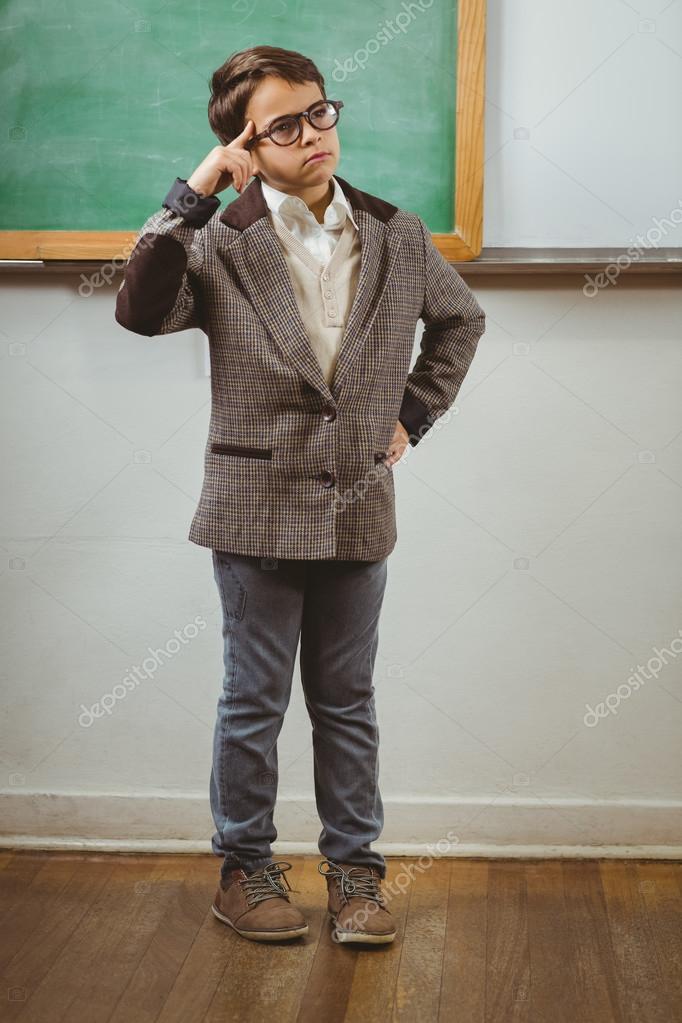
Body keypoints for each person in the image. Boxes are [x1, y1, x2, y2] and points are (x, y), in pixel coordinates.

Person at [115, 44, 486, 946]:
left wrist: (411, 413)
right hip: (254, 504)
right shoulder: (219, 237)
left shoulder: (397, 233)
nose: (314, 132)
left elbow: (461, 319)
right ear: (245, 144)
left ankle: (356, 874)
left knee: (347, 699)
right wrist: (196, 190)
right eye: (284, 125)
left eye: (320, 111)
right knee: (254, 699)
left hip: (358, 503)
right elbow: (139, 310)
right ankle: (243, 869)